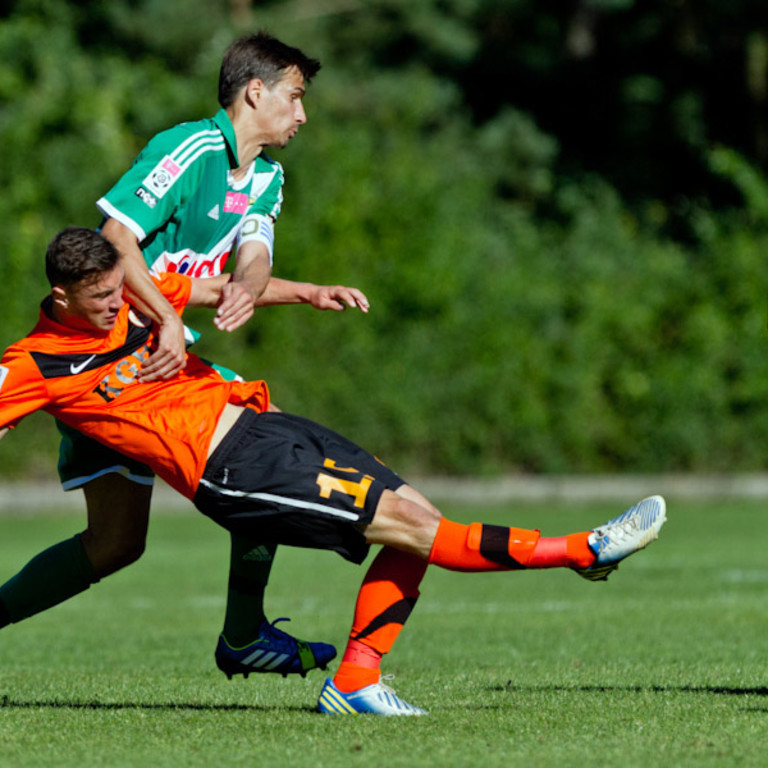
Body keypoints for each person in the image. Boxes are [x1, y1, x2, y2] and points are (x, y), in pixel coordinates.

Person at [0, 228, 667, 715]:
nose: (120, 305)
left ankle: (355, 679)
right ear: (60, 295)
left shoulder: (136, 299)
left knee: (419, 517)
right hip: (231, 470)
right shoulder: (35, 363)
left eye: (121, 288)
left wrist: (310, 291)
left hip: (266, 422)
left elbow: (218, 289)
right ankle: (584, 550)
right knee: (410, 526)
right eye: (101, 298)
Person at [0, 32, 365, 678]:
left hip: (156, 368)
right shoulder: (188, 148)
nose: (303, 115)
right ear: (257, 91)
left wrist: (297, 291)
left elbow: (250, 261)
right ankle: (245, 631)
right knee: (266, 451)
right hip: (113, 362)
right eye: (296, 96)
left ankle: (244, 634)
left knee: (117, 544)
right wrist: (167, 316)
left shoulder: (267, 179)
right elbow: (116, 236)